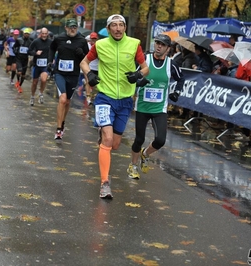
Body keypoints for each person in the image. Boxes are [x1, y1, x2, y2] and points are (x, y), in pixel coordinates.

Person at [80, 14, 149, 199]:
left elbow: (145, 68)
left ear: (125, 27)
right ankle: (104, 183)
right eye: (114, 26)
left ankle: (103, 134)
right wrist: (90, 75)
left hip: (125, 100)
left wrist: (137, 75)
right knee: (108, 139)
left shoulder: (134, 44)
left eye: (121, 25)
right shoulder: (100, 45)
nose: (118, 29)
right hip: (105, 97)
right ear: (109, 28)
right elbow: (84, 62)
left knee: (115, 145)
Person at [127, 34, 184, 179]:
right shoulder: (145, 60)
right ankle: (133, 166)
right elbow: (130, 77)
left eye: (162, 44)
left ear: (168, 48)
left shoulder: (171, 64)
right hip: (142, 107)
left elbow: (181, 78)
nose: (158, 46)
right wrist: (138, 83)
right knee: (139, 139)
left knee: (160, 140)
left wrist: (176, 92)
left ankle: (145, 154)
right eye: (157, 43)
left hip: (159, 108)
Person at [50, 19, 89, 141]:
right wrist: (50, 61)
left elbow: (87, 58)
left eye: (75, 27)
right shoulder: (58, 38)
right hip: (60, 73)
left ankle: (63, 122)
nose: (73, 29)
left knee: (67, 101)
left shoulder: (82, 40)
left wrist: (81, 54)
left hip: (73, 74)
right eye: (70, 27)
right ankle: (58, 128)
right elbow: (52, 49)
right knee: (62, 99)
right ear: (66, 27)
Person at [27, 27, 52, 106]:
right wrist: (35, 53)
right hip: (36, 65)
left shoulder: (50, 42)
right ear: (40, 34)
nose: (44, 35)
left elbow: (53, 51)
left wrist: (52, 59)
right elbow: (29, 51)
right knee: (35, 82)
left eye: (45, 34)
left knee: (44, 79)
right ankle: (32, 96)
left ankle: (41, 93)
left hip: (45, 65)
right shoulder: (36, 41)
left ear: (47, 34)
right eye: (43, 34)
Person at [12, 28, 32, 93]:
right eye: (25, 33)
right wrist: (16, 52)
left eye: (28, 34)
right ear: (23, 33)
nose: (26, 35)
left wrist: (30, 52)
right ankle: (17, 81)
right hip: (19, 58)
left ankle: (20, 86)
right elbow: (14, 47)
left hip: (25, 59)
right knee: (19, 72)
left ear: (29, 35)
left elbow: (32, 49)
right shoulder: (19, 40)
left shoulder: (30, 42)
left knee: (23, 75)